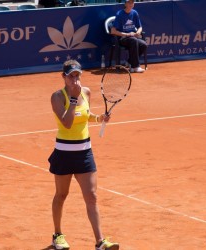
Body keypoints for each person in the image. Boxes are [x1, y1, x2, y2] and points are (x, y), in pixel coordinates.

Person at [48, 59, 119, 250]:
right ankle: (58, 236)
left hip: (84, 152)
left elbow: (85, 114)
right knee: (61, 195)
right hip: (64, 154)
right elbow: (68, 123)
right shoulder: (57, 97)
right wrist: (72, 98)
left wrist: (98, 118)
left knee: (92, 196)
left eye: (77, 75)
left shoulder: (86, 92)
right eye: (71, 76)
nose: (75, 79)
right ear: (63, 77)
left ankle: (100, 241)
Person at [111, 0, 147, 73]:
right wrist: (126, 34)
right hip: (122, 39)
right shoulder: (119, 14)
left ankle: (130, 62)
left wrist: (137, 32)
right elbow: (113, 31)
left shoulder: (134, 13)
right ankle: (136, 66)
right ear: (125, 4)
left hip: (133, 38)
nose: (131, 4)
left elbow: (140, 27)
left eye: (132, 2)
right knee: (134, 40)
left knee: (144, 45)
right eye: (129, 2)